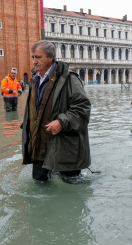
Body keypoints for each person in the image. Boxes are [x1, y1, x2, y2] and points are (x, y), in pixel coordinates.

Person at [22, 40, 91, 183]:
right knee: (39, 183)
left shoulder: (69, 78)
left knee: (71, 186)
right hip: (39, 142)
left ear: (50, 57)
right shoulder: (35, 79)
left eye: (38, 57)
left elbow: (83, 107)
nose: (34, 61)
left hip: (65, 143)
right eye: (32, 57)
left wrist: (62, 122)